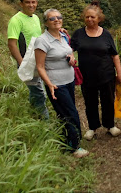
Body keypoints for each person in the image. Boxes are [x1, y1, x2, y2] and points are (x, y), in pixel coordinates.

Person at [34, 9, 89, 158]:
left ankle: (66, 141)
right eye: (52, 19)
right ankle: (74, 147)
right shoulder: (42, 41)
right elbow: (40, 66)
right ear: (46, 22)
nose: (57, 20)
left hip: (69, 81)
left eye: (59, 17)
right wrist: (50, 84)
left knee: (64, 113)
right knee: (71, 114)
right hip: (56, 84)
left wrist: (71, 56)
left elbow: (68, 51)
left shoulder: (63, 36)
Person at [71, 1, 121, 141]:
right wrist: (70, 55)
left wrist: (119, 73)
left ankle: (110, 125)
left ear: (99, 18)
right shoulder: (78, 34)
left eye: (93, 17)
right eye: (87, 17)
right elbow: (69, 48)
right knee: (90, 102)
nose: (89, 19)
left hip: (106, 74)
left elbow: (115, 54)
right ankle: (92, 127)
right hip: (87, 76)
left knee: (108, 100)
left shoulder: (106, 34)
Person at [7, 0, 49, 119]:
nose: (31, 5)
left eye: (33, 2)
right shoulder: (16, 20)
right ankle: (45, 124)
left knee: (36, 91)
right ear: (21, 4)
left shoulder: (35, 17)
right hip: (28, 63)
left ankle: (32, 114)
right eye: (27, 2)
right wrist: (22, 63)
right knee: (40, 93)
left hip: (38, 62)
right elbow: (12, 44)